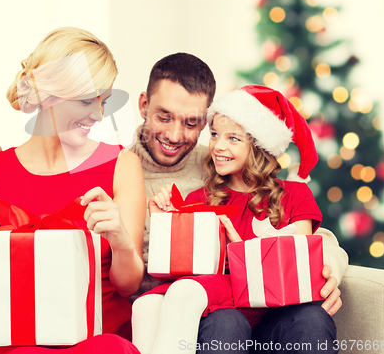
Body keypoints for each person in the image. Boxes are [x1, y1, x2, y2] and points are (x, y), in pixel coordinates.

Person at [0, 54, 346, 353]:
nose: (177, 135)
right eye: (164, 117)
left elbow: (292, 214)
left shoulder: (222, 161)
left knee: (308, 320)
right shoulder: (109, 168)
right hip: (174, 318)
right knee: (224, 323)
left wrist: (329, 264)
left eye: (193, 123)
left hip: (249, 301)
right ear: (143, 104)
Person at [0, 27, 146, 354]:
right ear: (47, 96)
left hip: (96, 338)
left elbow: (127, 285)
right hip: (16, 340)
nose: (99, 114)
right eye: (88, 100)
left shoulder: (122, 165)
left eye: (104, 101)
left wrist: (119, 238)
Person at [134, 85, 337, 354]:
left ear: (259, 146)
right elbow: (178, 277)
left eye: (233, 139)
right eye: (215, 135)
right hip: (222, 319)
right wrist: (167, 226)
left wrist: (243, 253)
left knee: (312, 318)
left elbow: (296, 271)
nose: (217, 146)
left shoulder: (295, 195)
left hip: (276, 322)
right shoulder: (199, 198)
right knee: (226, 322)